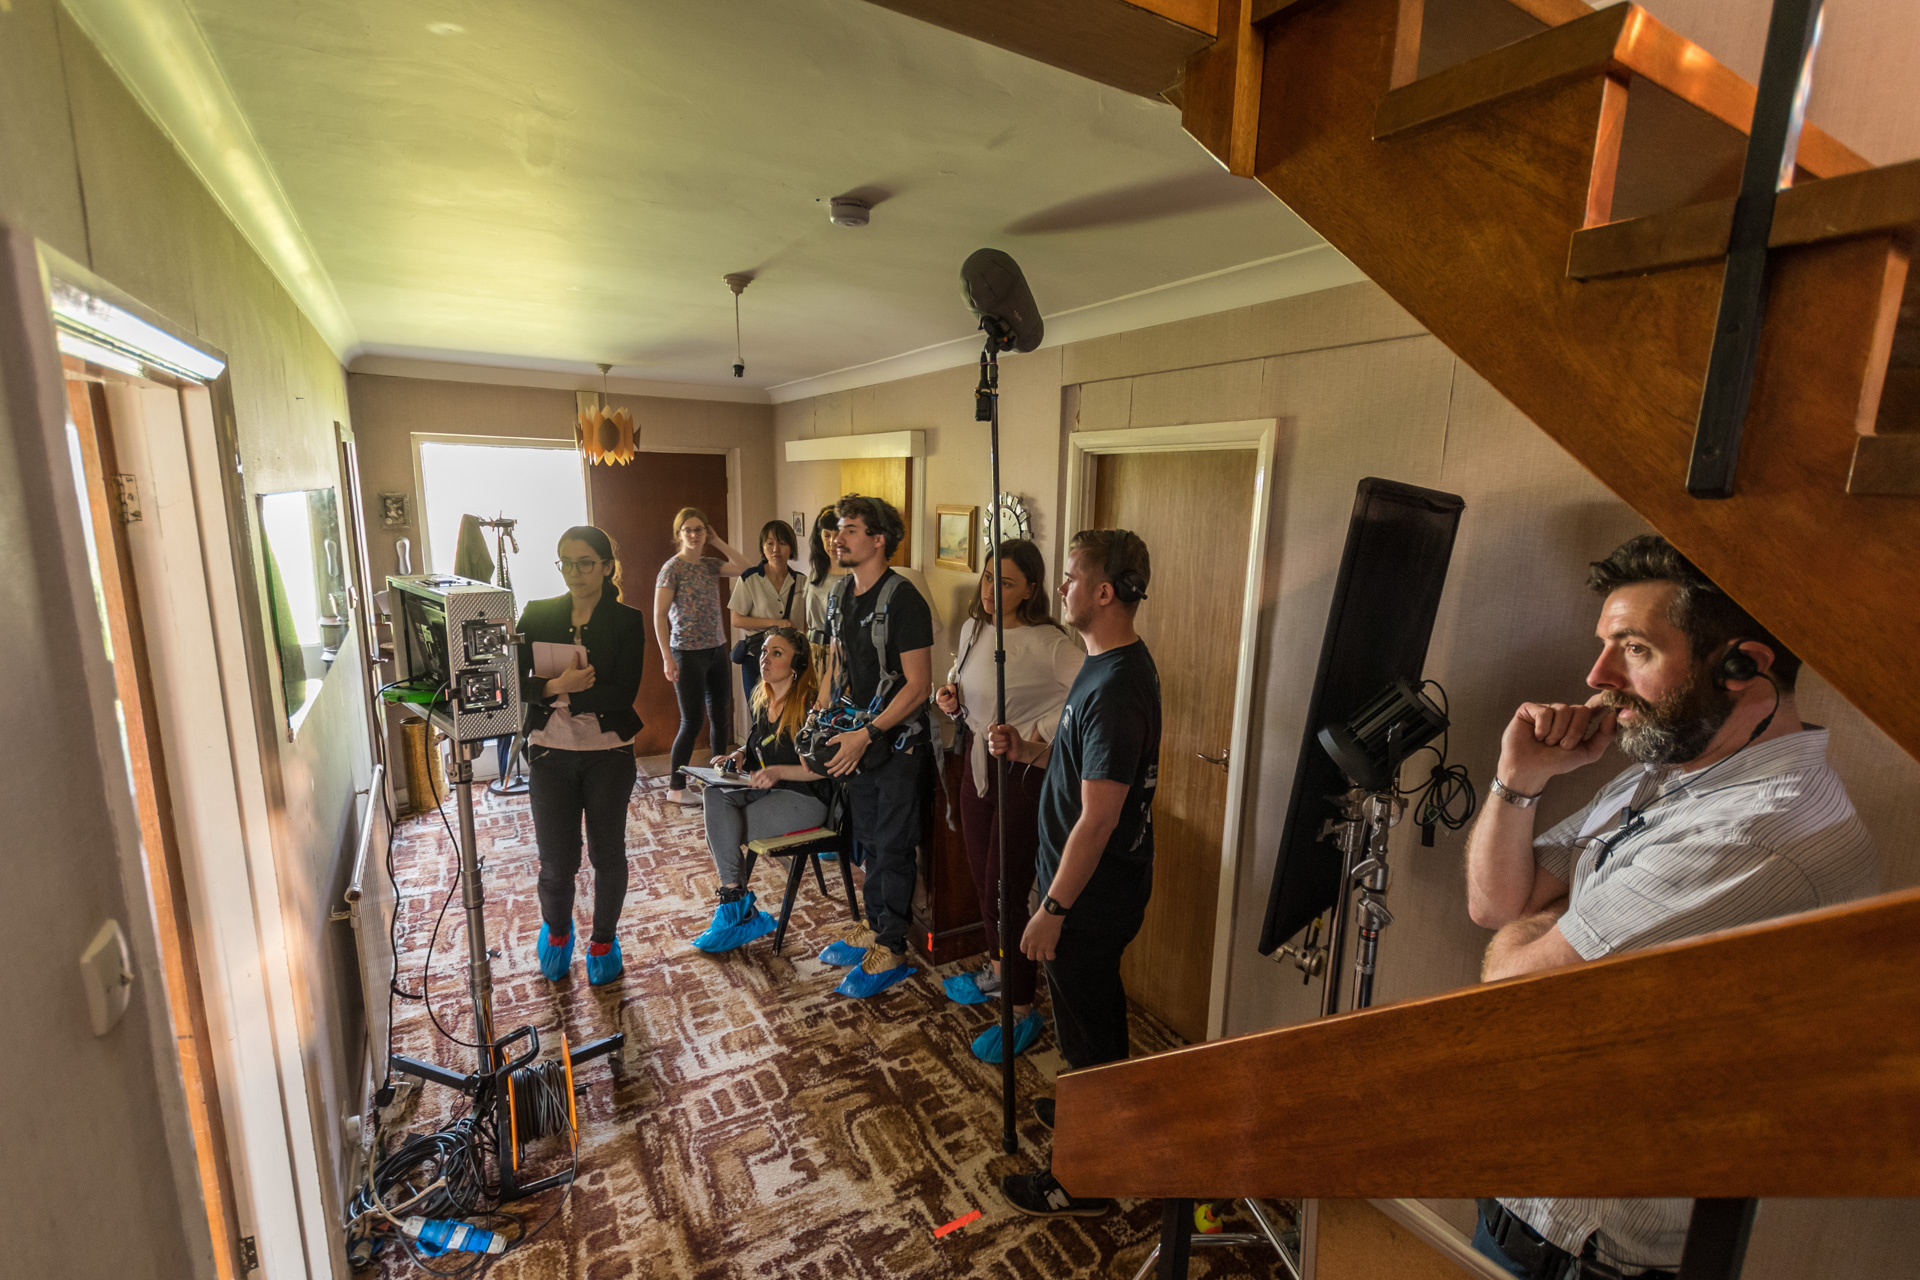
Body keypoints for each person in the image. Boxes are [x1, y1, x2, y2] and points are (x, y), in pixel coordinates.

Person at [1464, 534, 1878, 1279]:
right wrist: (1518, 778)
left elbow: (1510, 988)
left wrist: (1558, 921)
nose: (1597, 677)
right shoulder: (1678, 766)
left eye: (1635, 649)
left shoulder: (1758, 831)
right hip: (1532, 1191)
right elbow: (1497, 903)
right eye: (1605, 646)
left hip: (1586, 1252)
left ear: (1741, 666)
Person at [989, 529, 1159, 1219]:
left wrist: (1051, 910)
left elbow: (1099, 818)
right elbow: (1081, 763)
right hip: (1084, 888)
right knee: (1092, 1014)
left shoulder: (1116, 687)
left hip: (1087, 896)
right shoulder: (1106, 661)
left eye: (1070, 577)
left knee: (1087, 1031)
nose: (1061, 587)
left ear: (1104, 592)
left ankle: (1087, 1182)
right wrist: (1027, 753)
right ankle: (1098, 1108)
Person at [934, 539, 1082, 1063]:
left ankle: (1022, 1008)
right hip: (978, 762)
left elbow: (1090, 696)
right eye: (988, 577)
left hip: (1023, 774)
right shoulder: (974, 630)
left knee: (1005, 888)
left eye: (1008, 582)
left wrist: (1040, 730)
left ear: (1032, 590)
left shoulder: (1050, 644)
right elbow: (967, 689)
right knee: (982, 878)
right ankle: (1000, 971)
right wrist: (952, 702)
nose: (992, 590)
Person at [813, 494, 935, 998]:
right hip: (855, 739)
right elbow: (837, 660)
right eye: (837, 529)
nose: (837, 539)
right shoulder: (841, 593)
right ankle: (875, 920)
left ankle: (892, 946)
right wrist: (822, 712)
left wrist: (868, 734)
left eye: (849, 530)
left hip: (896, 744)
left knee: (892, 843)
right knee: (865, 838)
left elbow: (919, 686)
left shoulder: (904, 600)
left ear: (879, 540)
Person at [515, 525, 649, 986]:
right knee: (557, 861)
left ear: (607, 567)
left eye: (585, 563)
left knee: (607, 855)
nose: (575, 572)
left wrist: (561, 692)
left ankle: (603, 940)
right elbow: (510, 680)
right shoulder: (537, 613)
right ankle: (557, 933)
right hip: (549, 752)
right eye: (566, 563)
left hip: (608, 754)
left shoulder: (627, 620)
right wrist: (559, 685)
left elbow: (623, 692)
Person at [691, 626, 834, 953]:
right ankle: (738, 904)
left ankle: (737, 909)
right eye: (765, 651)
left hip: (805, 797)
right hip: (766, 786)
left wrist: (777, 771)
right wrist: (739, 756)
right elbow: (758, 743)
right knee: (713, 794)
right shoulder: (762, 697)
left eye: (777, 653)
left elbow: (821, 769)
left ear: (796, 666)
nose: (765, 658)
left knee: (724, 830)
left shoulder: (810, 706)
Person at [654, 507, 754, 805]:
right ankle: (676, 787)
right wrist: (667, 657)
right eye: (688, 530)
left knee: (721, 717)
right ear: (679, 534)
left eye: (700, 529)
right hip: (686, 653)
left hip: (716, 650)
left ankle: (719, 777)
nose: (695, 535)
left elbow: (747, 568)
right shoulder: (672, 568)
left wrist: (718, 541)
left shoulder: (710, 565)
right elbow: (658, 615)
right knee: (692, 721)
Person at [728, 519, 805, 710]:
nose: (775, 549)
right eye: (770, 543)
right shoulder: (750, 578)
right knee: (759, 713)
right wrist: (776, 623)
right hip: (757, 658)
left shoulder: (801, 581)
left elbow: (806, 623)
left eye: (782, 543)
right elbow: (736, 619)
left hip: (791, 661)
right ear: (763, 547)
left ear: (791, 548)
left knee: (790, 712)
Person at [802, 504, 844, 676]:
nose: (832, 542)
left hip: (839, 653)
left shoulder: (853, 576)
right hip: (813, 649)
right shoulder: (816, 573)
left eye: (837, 535)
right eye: (827, 535)